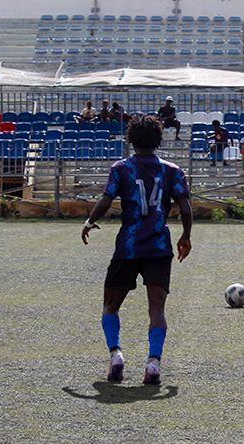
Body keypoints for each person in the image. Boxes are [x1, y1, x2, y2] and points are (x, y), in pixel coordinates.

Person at [81, 115, 193, 385]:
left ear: (130, 139)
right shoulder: (172, 170)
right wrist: (186, 236)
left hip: (128, 247)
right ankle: (153, 363)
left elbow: (107, 199)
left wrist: (90, 221)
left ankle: (116, 355)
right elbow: (186, 207)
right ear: (158, 139)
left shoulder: (121, 168)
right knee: (157, 308)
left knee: (110, 305)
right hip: (158, 246)